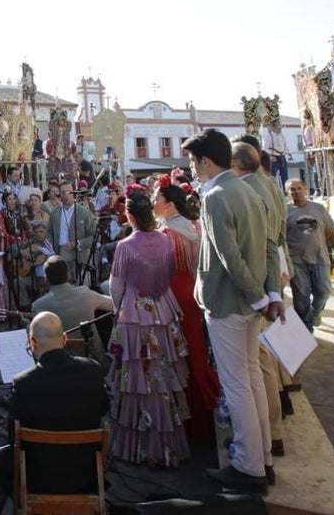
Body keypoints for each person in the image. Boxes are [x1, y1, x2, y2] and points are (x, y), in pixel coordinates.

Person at [182, 130, 276, 494]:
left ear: (206, 161)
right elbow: (268, 246)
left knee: (238, 386)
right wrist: (267, 294)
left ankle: (248, 466)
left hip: (229, 303)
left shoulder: (217, 196)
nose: (192, 168)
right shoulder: (250, 190)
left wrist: (258, 297)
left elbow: (228, 256)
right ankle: (261, 457)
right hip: (249, 303)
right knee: (250, 380)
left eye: (193, 162)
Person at [0, 312, 110, 497]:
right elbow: (104, 408)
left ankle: (23, 497)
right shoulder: (93, 369)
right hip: (87, 475)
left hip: (39, 479)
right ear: (64, 339)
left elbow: (14, 437)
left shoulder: (23, 382)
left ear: (32, 343)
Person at [106, 195, 191, 467]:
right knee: (163, 375)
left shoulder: (125, 246)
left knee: (136, 379)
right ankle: (166, 446)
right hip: (162, 310)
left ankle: (138, 448)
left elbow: (115, 287)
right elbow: (169, 274)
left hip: (134, 314)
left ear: (129, 217)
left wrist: (121, 308)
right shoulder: (166, 240)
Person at [234, 141, 291, 456]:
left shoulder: (253, 189)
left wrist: (264, 292)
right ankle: (276, 415)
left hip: (260, 279)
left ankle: (272, 431)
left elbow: (266, 241)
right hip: (270, 274)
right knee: (264, 358)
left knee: (260, 359)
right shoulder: (267, 184)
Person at [153, 174, 219, 448]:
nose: (153, 203)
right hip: (193, 293)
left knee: (177, 355)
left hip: (173, 297)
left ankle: (185, 419)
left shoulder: (167, 234)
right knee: (195, 351)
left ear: (169, 205)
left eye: (156, 199)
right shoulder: (193, 227)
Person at [285, 178, 334, 332]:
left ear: (305, 189)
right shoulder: (284, 211)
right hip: (296, 261)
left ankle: (316, 312)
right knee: (301, 297)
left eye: (299, 188)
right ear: (287, 192)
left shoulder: (319, 209)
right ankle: (306, 329)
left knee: (324, 292)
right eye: (292, 189)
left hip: (320, 259)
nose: (296, 192)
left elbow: (331, 233)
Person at [31, 256, 114, 363]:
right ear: (68, 275)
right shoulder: (86, 294)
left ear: (46, 278)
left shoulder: (38, 306)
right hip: (95, 361)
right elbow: (115, 304)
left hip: (59, 366)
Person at [49, 182, 96, 283]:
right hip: (62, 255)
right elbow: (50, 233)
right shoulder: (54, 213)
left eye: (69, 192)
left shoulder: (85, 213)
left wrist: (78, 243)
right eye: (63, 192)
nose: (66, 195)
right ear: (59, 194)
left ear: (74, 193)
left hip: (81, 256)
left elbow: (94, 236)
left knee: (82, 288)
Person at [261, 120, 289, 187]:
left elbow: (286, 146)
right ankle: (271, 189)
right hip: (273, 158)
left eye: (280, 128)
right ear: (273, 128)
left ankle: (286, 190)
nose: (280, 129)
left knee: (285, 175)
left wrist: (286, 153)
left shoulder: (282, 136)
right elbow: (264, 148)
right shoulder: (268, 136)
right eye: (278, 128)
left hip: (282, 157)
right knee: (272, 175)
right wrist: (270, 156)